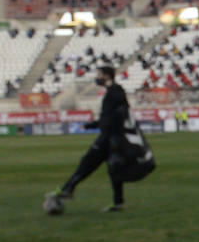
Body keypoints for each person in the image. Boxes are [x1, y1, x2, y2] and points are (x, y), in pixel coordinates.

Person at [48, 65, 143, 212]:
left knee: (87, 163)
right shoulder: (111, 92)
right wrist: (92, 125)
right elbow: (108, 117)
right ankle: (118, 203)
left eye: (99, 74)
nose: (97, 77)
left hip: (109, 138)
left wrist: (108, 125)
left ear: (106, 76)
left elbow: (121, 111)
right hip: (112, 137)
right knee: (113, 170)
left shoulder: (116, 91)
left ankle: (68, 189)